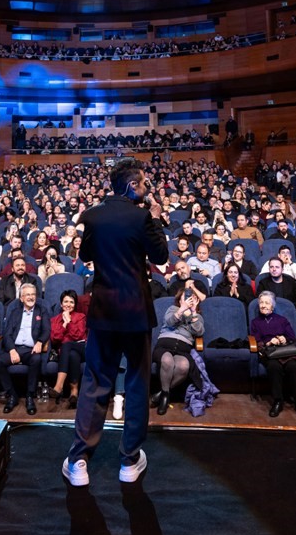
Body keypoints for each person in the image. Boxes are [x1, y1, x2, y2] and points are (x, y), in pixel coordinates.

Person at [64, 157, 168, 488]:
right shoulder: (143, 217)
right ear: (132, 186)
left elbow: (86, 256)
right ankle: (130, 460)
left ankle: (79, 460)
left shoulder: (92, 215)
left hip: (104, 312)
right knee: (136, 384)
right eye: (144, 182)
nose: (148, 187)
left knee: (95, 382)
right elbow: (161, 257)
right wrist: (154, 217)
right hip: (136, 313)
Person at [150, 287, 210, 415]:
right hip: (165, 344)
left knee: (184, 366)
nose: (189, 300)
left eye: (191, 298)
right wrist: (182, 309)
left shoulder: (197, 316)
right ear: (180, 299)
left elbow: (199, 331)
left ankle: (162, 393)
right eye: (185, 297)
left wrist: (193, 313)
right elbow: (169, 322)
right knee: (167, 361)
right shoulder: (173, 309)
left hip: (183, 349)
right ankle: (165, 398)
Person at [251, 291, 296, 419]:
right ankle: (278, 401)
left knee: (294, 367)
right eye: (261, 302)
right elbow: (256, 340)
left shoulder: (282, 320)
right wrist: (269, 342)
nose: (263, 305)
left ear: (272, 306)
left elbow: (292, 337)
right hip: (269, 353)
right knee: (273, 367)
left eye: (267, 303)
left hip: (286, 351)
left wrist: (284, 339)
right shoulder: (255, 322)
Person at [0, 282, 49, 415]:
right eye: (27, 295)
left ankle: (30, 395)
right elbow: (7, 334)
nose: (31, 297)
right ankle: (12, 395)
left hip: (31, 350)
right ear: (21, 298)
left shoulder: (42, 310)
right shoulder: (15, 312)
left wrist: (40, 342)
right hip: (16, 348)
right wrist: (12, 350)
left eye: (33, 294)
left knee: (36, 360)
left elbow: (46, 330)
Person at [49, 289, 88, 409]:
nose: (68, 305)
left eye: (71, 302)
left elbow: (79, 336)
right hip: (68, 353)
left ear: (75, 305)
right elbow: (55, 339)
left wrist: (69, 322)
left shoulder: (81, 317)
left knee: (67, 345)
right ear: (61, 304)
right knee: (72, 354)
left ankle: (58, 386)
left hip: (83, 348)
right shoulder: (55, 319)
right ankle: (74, 393)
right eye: (66, 301)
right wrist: (64, 323)